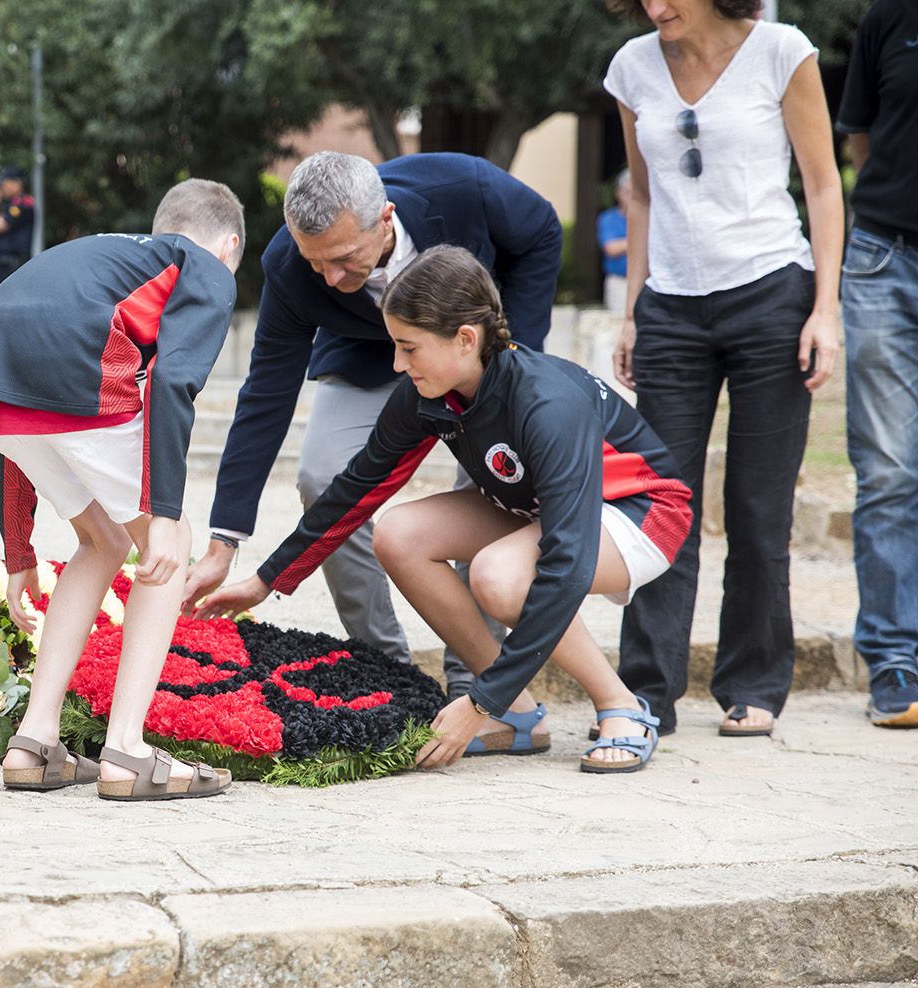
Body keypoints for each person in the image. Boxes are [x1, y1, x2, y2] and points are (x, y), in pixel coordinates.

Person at [199, 246, 693, 774]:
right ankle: (518, 717)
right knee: (399, 533)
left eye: (409, 348)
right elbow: (357, 488)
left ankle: (621, 706)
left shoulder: (547, 403)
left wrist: (479, 700)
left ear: (465, 338)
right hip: (541, 506)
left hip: (639, 508)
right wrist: (266, 580)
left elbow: (565, 563)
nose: (397, 364)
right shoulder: (430, 391)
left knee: (500, 578)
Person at [181, 151, 563, 705]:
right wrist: (225, 542)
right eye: (318, 265)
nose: (332, 279)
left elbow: (541, 232)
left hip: (474, 352)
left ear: (384, 219)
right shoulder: (292, 263)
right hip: (364, 357)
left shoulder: (464, 188)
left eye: (343, 259)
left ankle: (478, 677)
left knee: (491, 483)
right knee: (321, 474)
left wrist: (514, 355)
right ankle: (388, 669)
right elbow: (266, 393)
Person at [0, 178, 245, 800]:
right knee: (171, 539)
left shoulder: (97, 255)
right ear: (228, 246)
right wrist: (165, 513)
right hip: (73, 370)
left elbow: (26, 393)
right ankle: (126, 751)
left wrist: (19, 551)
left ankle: (33, 743)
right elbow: (172, 382)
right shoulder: (207, 267)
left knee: (104, 539)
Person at [605, 0, 843, 738]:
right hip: (672, 308)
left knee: (757, 505)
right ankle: (645, 692)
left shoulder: (781, 50)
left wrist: (824, 309)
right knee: (661, 504)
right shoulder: (631, 67)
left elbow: (824, 183)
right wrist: (634, 309)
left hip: (773, 294)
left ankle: (754, 683)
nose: (656, 7)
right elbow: (641, 195)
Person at [836, 0, 918, 729]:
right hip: (886, 257)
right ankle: (896, 661)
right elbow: (861, 134)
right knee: (890, 467)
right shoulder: (890, 15)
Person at [0, 164, 36, 286]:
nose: (1, 188)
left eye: (4, 183)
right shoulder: (8, 205)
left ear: (17, 183)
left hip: (14, 266)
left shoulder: (23, 203)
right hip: (2, 264)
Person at [598, 170, 632, 312]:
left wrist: (624, 244)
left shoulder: (650, 218)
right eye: (627, 192)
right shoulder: (609, 218)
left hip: (646, 282)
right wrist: (639, 241)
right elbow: (611, 249)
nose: (631, 197)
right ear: (618, 193)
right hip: (619, 281)